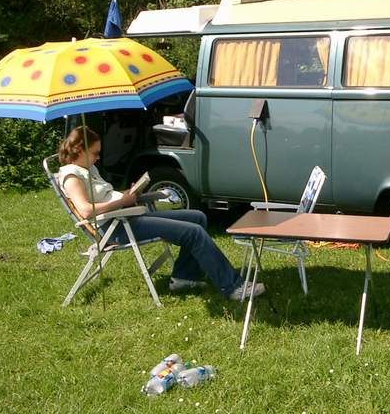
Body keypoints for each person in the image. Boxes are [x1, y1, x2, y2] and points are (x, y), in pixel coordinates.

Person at [58, 126, 264, 300]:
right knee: (194, 233)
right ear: (79, 150)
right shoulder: (71, 176)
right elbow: (86, 210)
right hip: (116, 228)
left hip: (127, 215)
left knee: (198, 217)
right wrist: (123, 201)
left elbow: (104, 196)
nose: (98, 157)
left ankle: (184, 278)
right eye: (95, 153)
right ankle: (232, 287)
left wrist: (130, 193)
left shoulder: (88, 169)